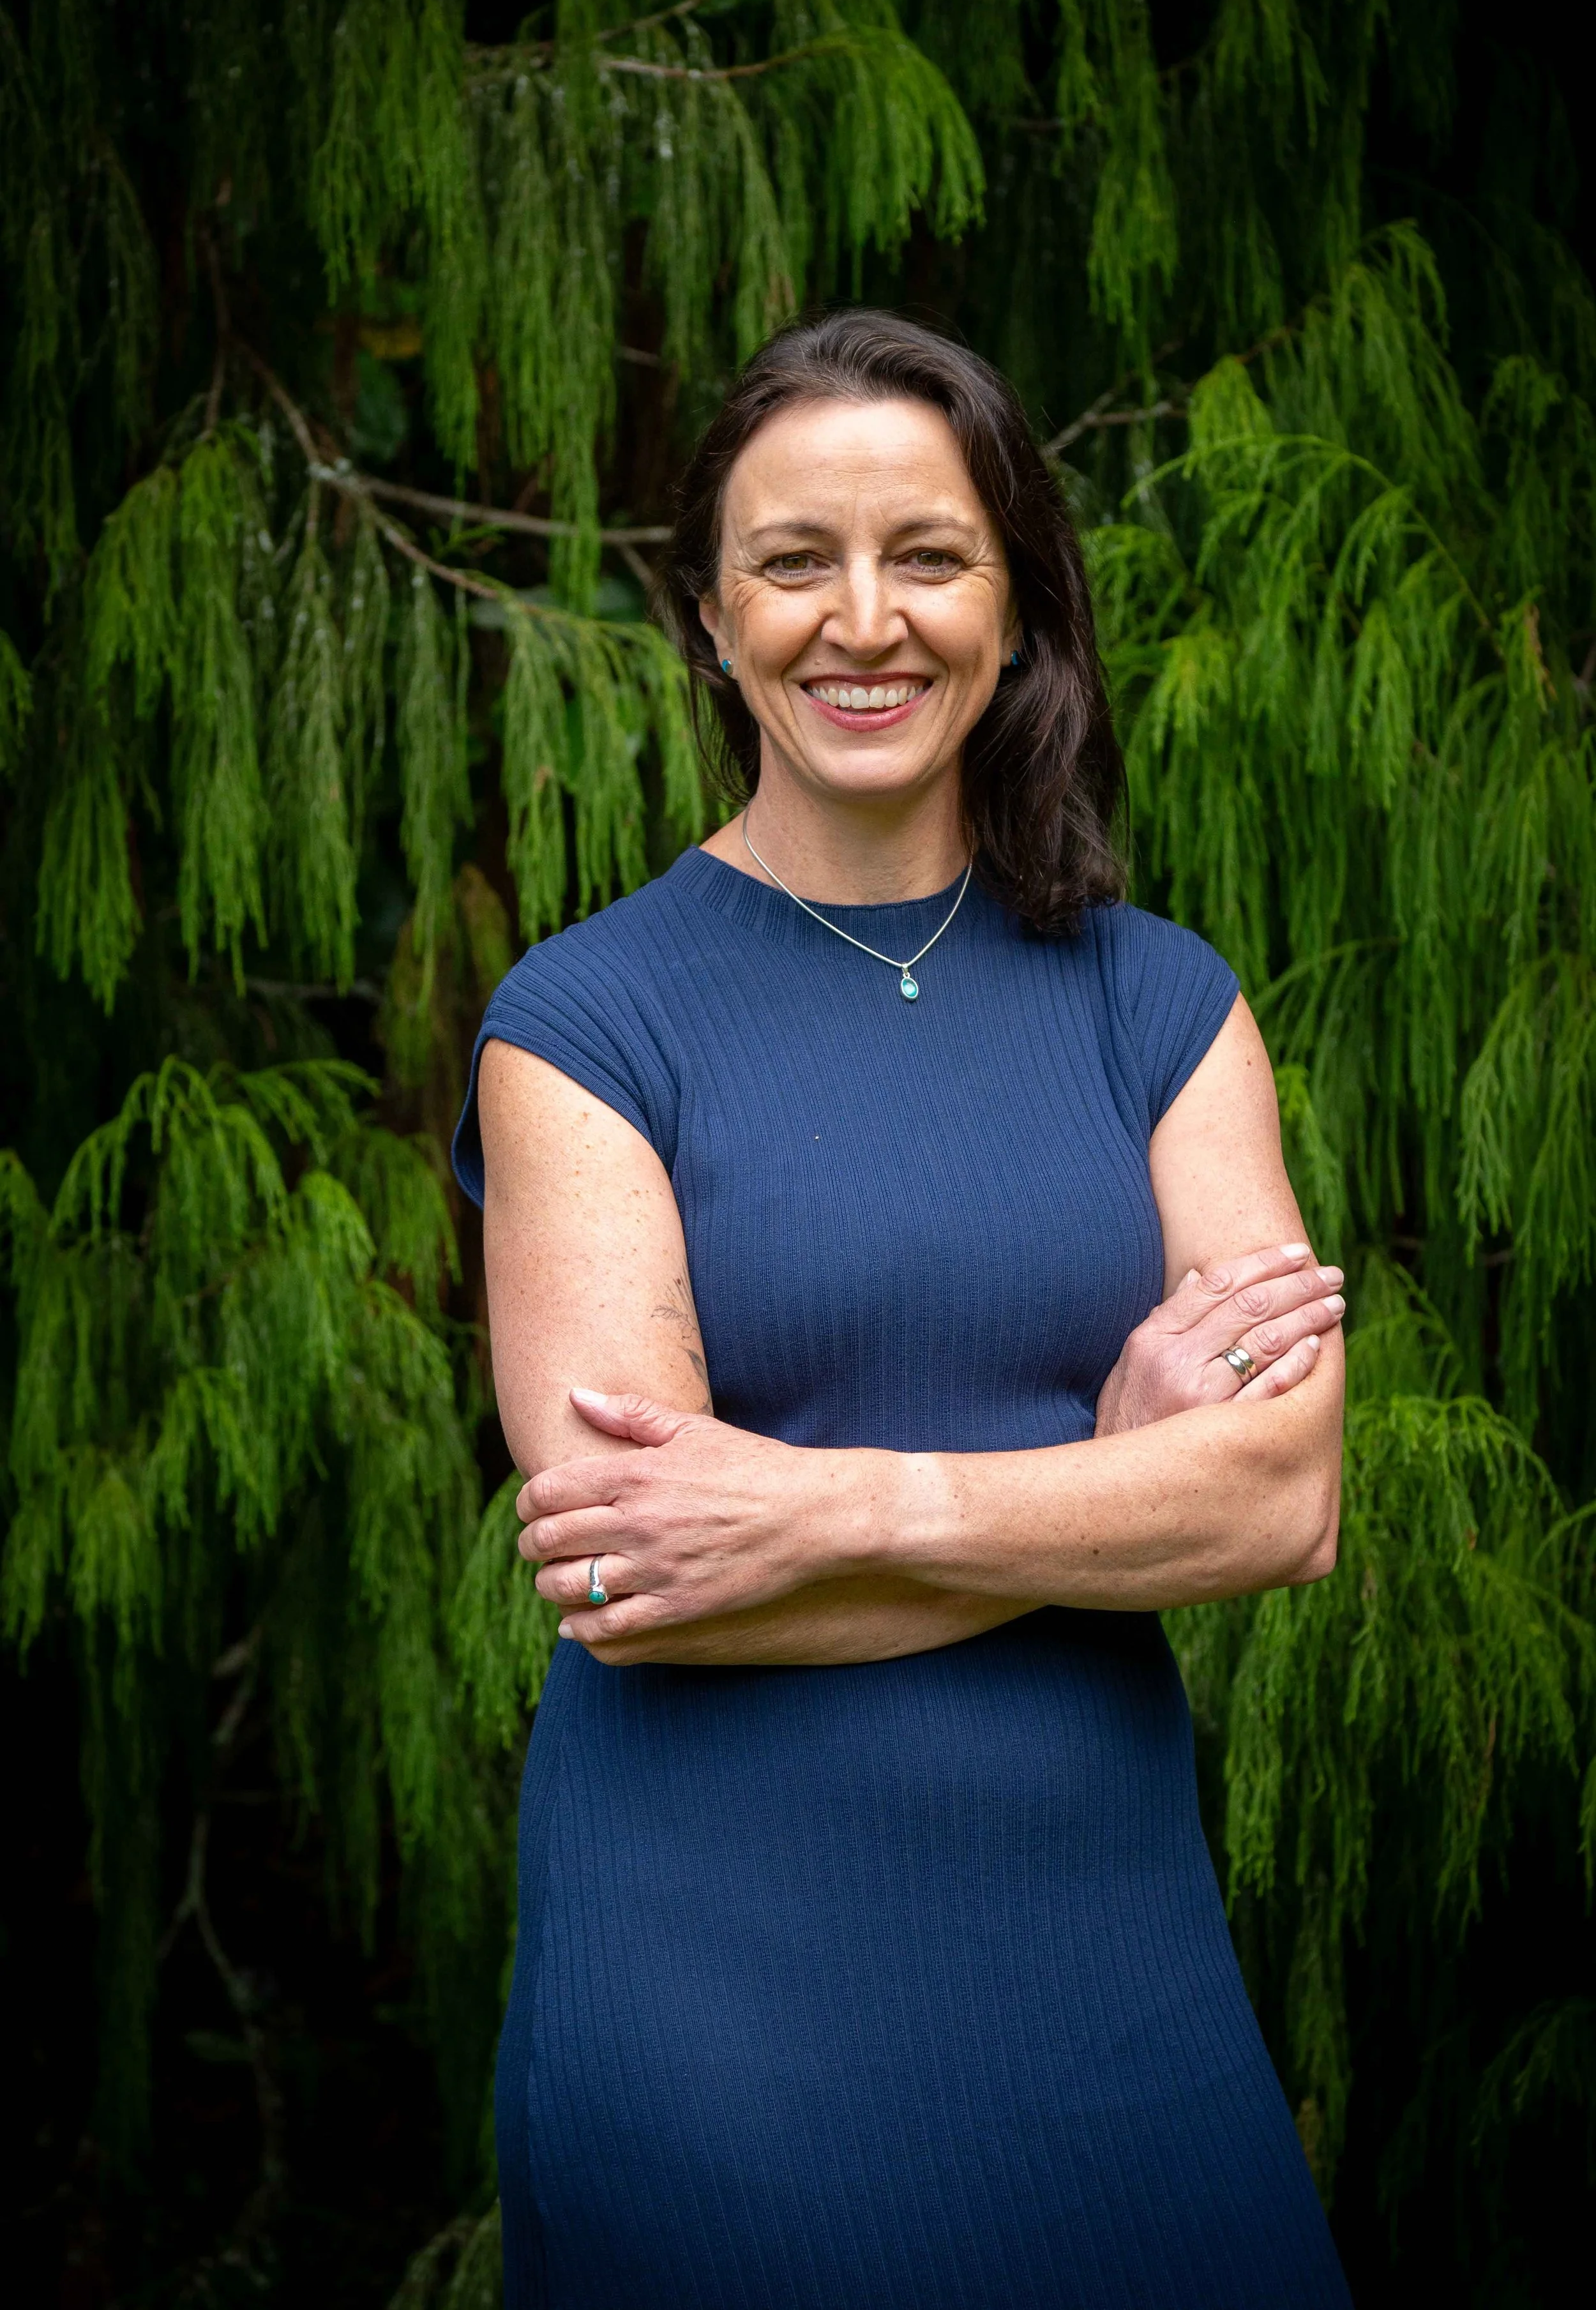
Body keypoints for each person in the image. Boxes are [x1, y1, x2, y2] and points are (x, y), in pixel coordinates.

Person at [452, 310, 1351, 2309]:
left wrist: (829, 1504)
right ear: (709, 616)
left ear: (1012, 598)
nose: (864, 621)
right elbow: (644, 1575)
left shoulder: (1164, 1006)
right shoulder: (583, 1031)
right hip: (719, 2017)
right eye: (794, 562)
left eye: (928, 556)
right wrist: (1113, 1479)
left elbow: (1280, 1500)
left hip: (1116, 1989)